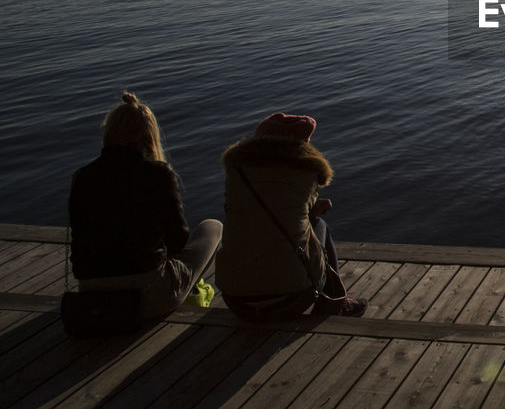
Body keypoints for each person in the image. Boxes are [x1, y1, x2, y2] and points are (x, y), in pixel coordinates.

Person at [68, 92, 223, 319]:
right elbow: (178, 241)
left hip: (91, 297)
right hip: (148, 298)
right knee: (212, 228)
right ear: (150, 134)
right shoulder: (158, 174)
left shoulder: (82, 177)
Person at [217, 112, 366, 319]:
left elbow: (252, 214)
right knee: (319, 225)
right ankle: (337, 302)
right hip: (292, 299)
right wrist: (311, 211)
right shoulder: (304, 171)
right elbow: (294, 216)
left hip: (236, 300)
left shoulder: (237, 173)